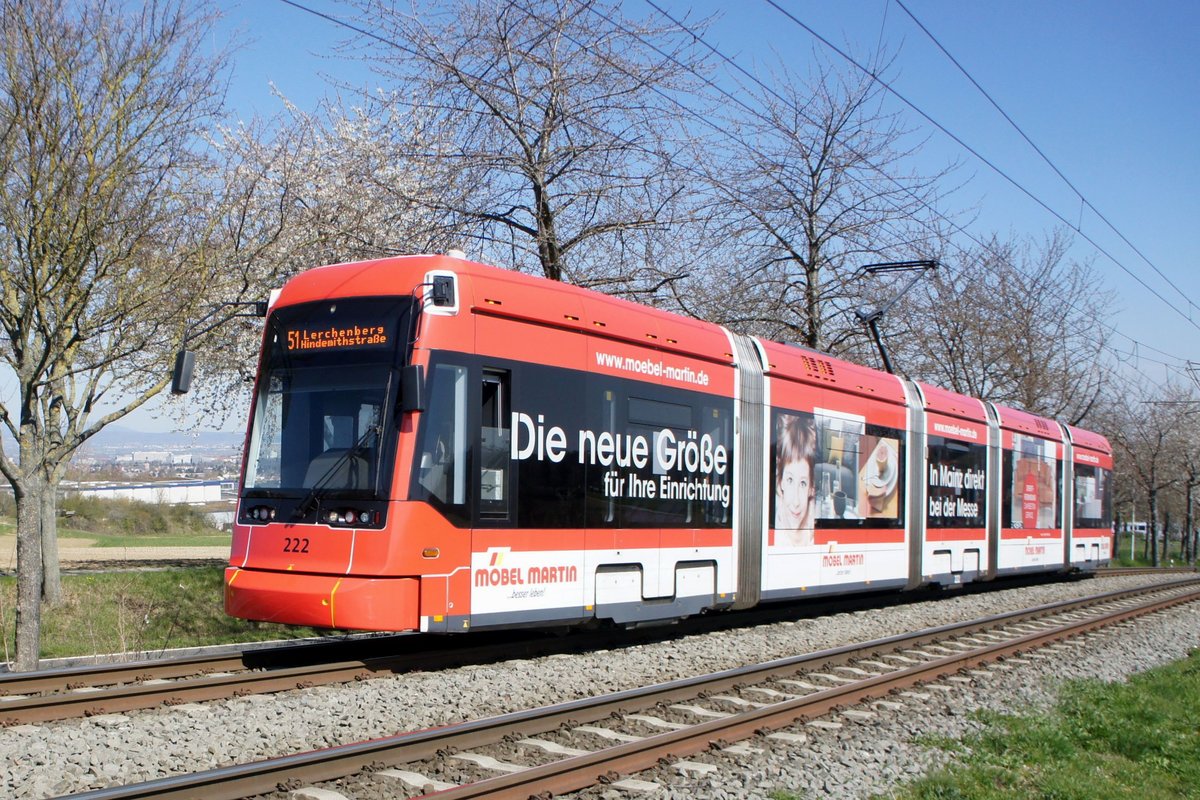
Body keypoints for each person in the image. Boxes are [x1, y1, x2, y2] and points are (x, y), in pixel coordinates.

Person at [775, 413, 816, 546]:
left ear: (811, 488)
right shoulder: (776, 539)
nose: (796, 502)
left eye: (803, 483)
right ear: (781, 482)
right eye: (790, 480)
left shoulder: (813, 539)